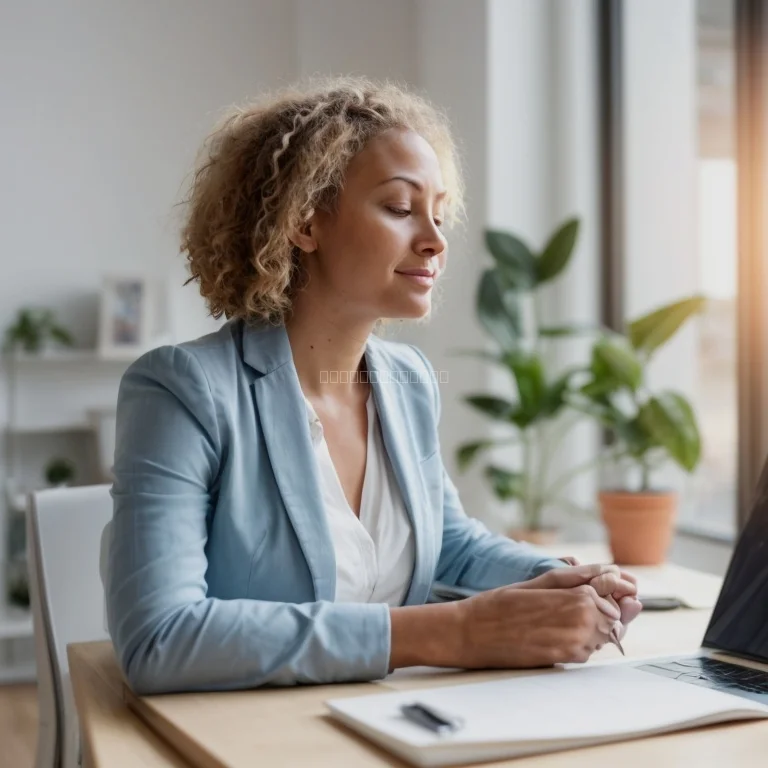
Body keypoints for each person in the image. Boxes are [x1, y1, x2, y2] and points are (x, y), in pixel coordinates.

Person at [106, 76, 642, 695]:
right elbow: (160, 637)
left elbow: (449, 548)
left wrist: (564, 579)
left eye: (438, 213)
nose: (436, 240)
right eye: (399, 208)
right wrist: (453, 633)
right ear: (304, 223)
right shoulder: (183, 390)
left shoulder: (408, 381)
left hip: (394, 718)